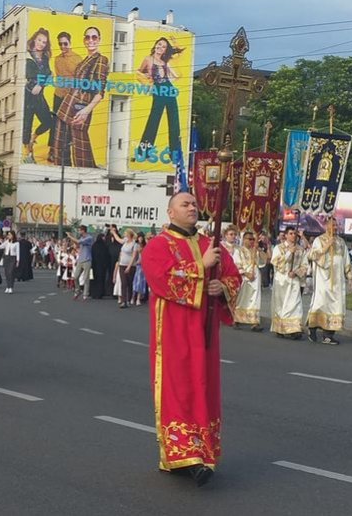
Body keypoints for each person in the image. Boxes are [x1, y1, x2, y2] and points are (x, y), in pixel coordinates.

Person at [141, 192, 241, 487]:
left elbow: (233, 277)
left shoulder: (210, 244)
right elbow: (161, 278)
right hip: (172, 333)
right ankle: (184, 455)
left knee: (203, 388)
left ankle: (200, 452)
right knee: (178, 389)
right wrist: (201, 267)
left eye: (194, 204)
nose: (192, 207)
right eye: (185, 204)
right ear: (170, 212)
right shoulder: (158, 246)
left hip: (205, 335)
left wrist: (219, 287)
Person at [52, 26, 110, 168]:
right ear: (84, 40)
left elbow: (100, 91)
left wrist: (87, 110)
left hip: (81, 108)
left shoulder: (101, 60)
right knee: (60, 145)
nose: (91, 40)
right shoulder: (84, 60)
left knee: (80, 147)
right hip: (67, 105)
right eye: (88, 37)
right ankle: (63, 180)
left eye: (94, 37)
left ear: (99, 40)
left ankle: (88, 179)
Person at [306, 219, 352, 345]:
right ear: (326, 225)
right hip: (324, 278)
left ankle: (328, 335)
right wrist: (327, 246)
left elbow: (346, 260)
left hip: (337, 279)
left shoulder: (341, 241)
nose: (335, 226)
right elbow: (312, 255)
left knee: (335, 306)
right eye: (332, 224)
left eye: (336, 224)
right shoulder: (319, 240)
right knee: (321, 303)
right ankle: (312, 327)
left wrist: (350, 277)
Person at [136, 37, 184, 164]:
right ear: (155, 45)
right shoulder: (148, 59)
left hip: (169, 89)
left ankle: (174, 154)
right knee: (154, 119)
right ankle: (143, 152)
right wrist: (146, 80)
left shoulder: (165, 60)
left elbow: (179, 53)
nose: (160, 47)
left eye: (163, 46)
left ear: (165, 50)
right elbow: (138, 72)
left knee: (174, 121)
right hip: (158, 90)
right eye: (159, 44)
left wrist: (174, 42)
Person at [270, 227, 308, 339]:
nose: (293, 236)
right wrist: (288, 254)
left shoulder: (300, 250)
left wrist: (296, 272)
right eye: (291, 233)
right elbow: (275, 262)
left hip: (294, 281)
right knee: (281, 306)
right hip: (281, 280)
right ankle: (280, 328)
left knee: (295, 304)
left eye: (295, 234)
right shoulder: (279, 248)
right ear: (286, 235)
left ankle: (294, 329)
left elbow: (305, 265)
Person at [49, 31, 81, 163]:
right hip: (58, 94)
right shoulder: (57, 59)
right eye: (60, 44)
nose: (63, 46)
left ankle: (65, 151)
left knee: (68, 124)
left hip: (70, 96)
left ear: (70, 43)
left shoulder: (77, 59)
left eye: (65, 43)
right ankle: (52, 151)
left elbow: (79, 79)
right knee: (55, 122)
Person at [22, 28, 54, 163]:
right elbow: (29, 75)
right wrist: (40, 82)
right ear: (35, 39)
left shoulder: (45, 57)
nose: (41, 43)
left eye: (44, 42)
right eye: (39, 40)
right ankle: (28, 154)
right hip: (28, 95)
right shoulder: (27, 55)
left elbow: (50, 74)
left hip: (39, 96)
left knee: (49, 121)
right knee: (26, 125)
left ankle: (33, 138)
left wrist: (41, 84)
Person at [233, 231, 267, 331]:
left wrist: (259, 250)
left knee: (255, 299)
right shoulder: (238, 250)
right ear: (244, 239)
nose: (252, 241)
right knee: (242, 298)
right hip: (243, 277)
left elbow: (264, 261)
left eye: (253, 239)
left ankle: (254, 322)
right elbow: (236, 264)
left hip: (255, 276)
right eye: (249, 239)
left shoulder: (255, 250)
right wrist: (246, 273)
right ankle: (237, 319)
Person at [113, 227, 139, 308]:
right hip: (122, 264)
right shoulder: (125, 242)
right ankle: (124, 301)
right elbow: (118, 239)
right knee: (123, 283)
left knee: (129, 283)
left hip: (131, 266)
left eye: (125, 234)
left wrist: (129, 266)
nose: (124, 236)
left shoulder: (134, 244)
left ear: (129, 235)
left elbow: (134, 256)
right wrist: (114, 233)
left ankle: (129, 299)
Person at [66, 225, 94, 299]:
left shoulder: (89, 238)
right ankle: (78, 290)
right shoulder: (81, 237)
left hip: (87, 259)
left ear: (83, 230)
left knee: (86, 278)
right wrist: (71, 238)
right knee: (75, 277)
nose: (79, 232)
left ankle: (85, 294)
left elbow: (79, 241)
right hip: (80, 259)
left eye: (79, 230)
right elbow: (77, 244)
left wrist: (70, 236)